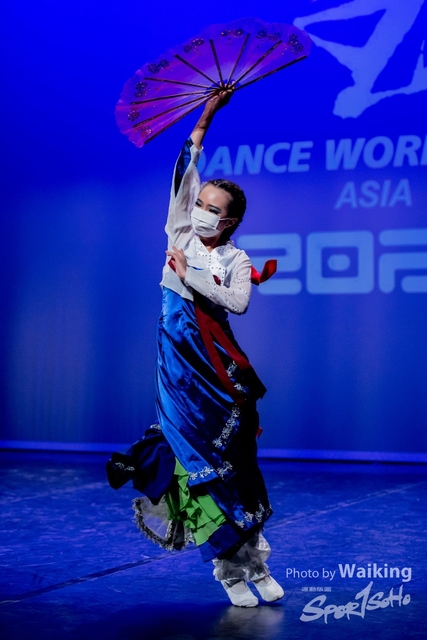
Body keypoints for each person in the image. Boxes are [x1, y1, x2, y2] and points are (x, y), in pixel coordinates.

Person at [107, 91, 283, 607]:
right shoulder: (179, 232)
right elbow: (185, 166)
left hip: (219, 367)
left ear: (229, 221)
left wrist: (192, 276)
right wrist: (206, 116)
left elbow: (237, 303)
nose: (202, 212)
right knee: (196, 462)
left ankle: (255, 561)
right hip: (178, 367)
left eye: (213, 210)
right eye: (199, 204)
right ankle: (228, 572)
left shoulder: (235, 259)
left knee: (236, 460)